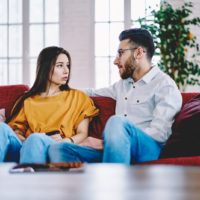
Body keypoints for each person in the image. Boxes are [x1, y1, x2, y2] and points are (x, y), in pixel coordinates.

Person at [48, 28, 182, 165]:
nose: (116, 61)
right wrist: (55, 90)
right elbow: (92, 93)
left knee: (117, 122)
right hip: (115, 148)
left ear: (139, 52)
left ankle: (113, 183)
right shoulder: (123, 85)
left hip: (148, 149)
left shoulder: (165, 85)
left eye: (120, 53)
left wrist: (106, 142)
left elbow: (159, 134)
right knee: (59, 148)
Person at [0, 46, 99, 163]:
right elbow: (17, 132)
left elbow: (82, 133)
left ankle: (29, 179)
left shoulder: (78, 97)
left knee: (36, 138)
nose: (66, 70)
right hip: (25, 146)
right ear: (45, 68)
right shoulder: (27, 100)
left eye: (67, 65)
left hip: (55, 145)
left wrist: (65, 141)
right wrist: (26, 140)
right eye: (60, 65)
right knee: (2, 128)